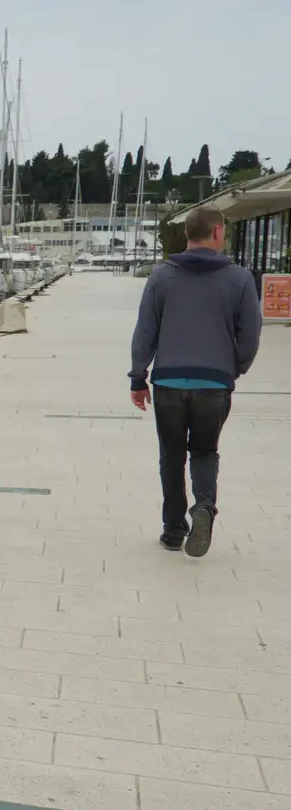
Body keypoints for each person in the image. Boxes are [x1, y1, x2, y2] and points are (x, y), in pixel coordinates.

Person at [129, 205, 262, 556]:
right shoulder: (240, 279)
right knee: (204, 451)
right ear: (217, 232)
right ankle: (203, 507)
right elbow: (250, 335)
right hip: (214, 384)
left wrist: (137, 377)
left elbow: (145, 331)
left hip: (169, 382)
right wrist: (234, 368)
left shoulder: (161, 276)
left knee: (171, 456)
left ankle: (174, 530)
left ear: (187, 234)